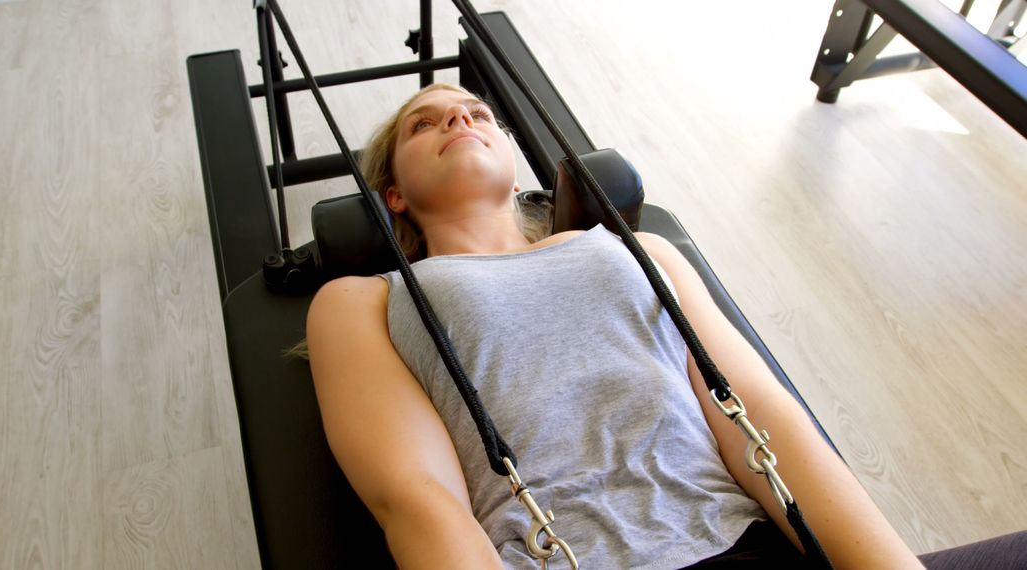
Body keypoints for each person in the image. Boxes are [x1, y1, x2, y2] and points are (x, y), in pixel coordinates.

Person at [304, 83, 922, 569]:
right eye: (425, 122)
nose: (461, 120)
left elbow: (757, 417)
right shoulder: (363, 301)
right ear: (395, 196)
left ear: (518, 172)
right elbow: (419, 501)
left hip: (749, 542)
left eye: (477, 113)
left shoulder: (639, 249)